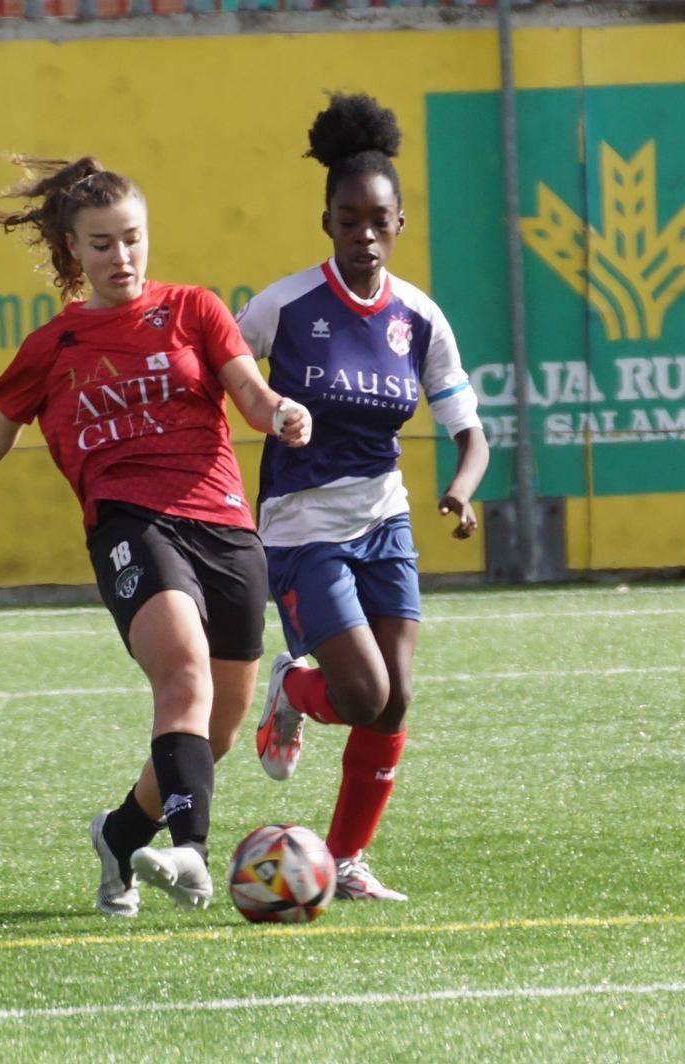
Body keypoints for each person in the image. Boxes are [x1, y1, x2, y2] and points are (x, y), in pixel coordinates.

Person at [0, 155, 310, 918]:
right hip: (129, 523)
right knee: (182, 675)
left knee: (218, 730)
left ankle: (121, 832)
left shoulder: (194, 309)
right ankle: (191, 854)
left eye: (133, 239)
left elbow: (246, 387)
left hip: (225, 527)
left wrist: (278, 411)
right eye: (102, 243)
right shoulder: (57, 345)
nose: (122, 257)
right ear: (73, 249)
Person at [236, 93, 489, 902]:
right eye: (350, 220)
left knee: (397, 699)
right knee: (363, 694)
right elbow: (224, 377)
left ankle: (341, 862)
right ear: (328, 223)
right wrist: (270, 411)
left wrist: (462, 488)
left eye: (379, 220)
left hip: (387, 520)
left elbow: (469, 430)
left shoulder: (419, 317)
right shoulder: (282, 307)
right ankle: (294, 691)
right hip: (303, 528)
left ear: (401, 223)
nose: (365, 235)